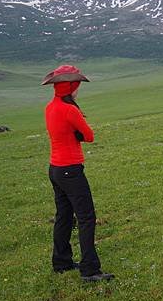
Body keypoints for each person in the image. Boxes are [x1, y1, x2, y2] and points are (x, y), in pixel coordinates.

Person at [43, 65, 114, 282]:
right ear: (72, 85)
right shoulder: (70, 109)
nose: (78, 89)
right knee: (86, 218)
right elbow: (89, 135)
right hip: (71, 169)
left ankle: (61, 261)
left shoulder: (50, 107)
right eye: (77, 86)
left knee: (63, 216)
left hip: (55, 168)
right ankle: (90, 269)